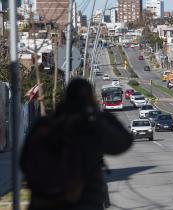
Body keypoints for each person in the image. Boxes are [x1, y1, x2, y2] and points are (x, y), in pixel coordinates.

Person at [21, 78, 133, 210]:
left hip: (43, 202)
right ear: (90, 99)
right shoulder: (90, 127)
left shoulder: (44, 125)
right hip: (84, 202)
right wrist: (102, 115)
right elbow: (123, 142)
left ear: (66, 97)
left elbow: (23, 162)